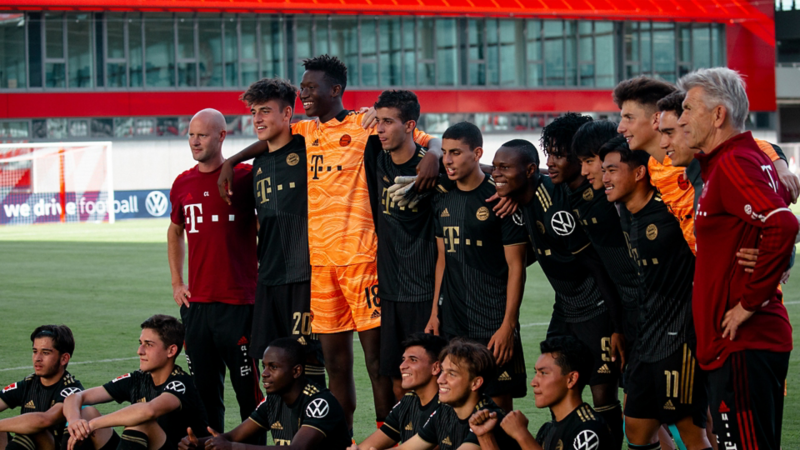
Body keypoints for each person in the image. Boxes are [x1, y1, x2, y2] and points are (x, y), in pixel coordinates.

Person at [218, 55, 442, 430]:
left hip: (362, 262)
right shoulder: (306, 131)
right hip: (320, 266)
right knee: (335, 364)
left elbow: (422, 135)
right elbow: (270, 140)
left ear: (335, 90)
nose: (303, 93)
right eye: (302, 88)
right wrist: (233, 160)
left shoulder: (365, 123)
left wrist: (434, 154)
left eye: (310, 88)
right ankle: (341, 436)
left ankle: (390, 433)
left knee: (377, 364)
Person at [678, 67, 797, 450]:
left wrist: (749, 302)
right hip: (738, 344)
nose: (682, 119)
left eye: (688, 109)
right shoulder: (736, 159)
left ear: (718, 115)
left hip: (743, 342)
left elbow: (782, 223)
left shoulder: (733, 163)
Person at [492, 135, 624, 445]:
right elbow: (492, 171)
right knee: (554, 382)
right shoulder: (520, 194)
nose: (497, 173)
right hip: (565, 307)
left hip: (595, 307)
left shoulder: (554, 209)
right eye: (495, 167)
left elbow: (597, 267)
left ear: (529, 171)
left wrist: (618, 326)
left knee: (603, 393)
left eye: (504, 168)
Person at [600, 138, 711, 450]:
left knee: (690, 431)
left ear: (638, 174)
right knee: (635, 428)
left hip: (680, 338)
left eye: (612, 169)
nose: (605, 177)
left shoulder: (670, 210)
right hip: (646, 337)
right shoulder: (624, 213)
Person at [613, 76, 797, 253]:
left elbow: (755, 146)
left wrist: (781, 168)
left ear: (656, 118)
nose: (620, 127)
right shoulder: (654, 166)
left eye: (629, 117)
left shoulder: (704, 156)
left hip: (736, 273)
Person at [167, 108, 263, 432]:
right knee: (205, 395)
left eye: (202, 135)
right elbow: (174, 230)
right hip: (197, 307)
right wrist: (177, 282)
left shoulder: (247, 177)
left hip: (239, 303)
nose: (194, 141)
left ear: (221, 136)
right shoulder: (182, 183)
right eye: (191, 134)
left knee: (248, 394)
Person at [428, 122, 528, 413]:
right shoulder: (442, 198)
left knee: (499, 408)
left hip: (493, 322)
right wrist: (435, 312)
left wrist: (508, 325)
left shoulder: (500, 199)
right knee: (457, 404)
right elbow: (442, 259)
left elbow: (516, 267)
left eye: (456, 152)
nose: (448, 159)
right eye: (445, 152)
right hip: (454, 321)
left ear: (477, 153)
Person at [240, 77, 326, 385]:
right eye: (254, 112)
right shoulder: (258, 162)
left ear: (288, 114)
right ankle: (283, 433)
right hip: (270, 277)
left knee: (309, 361)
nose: (257, 119)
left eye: (265, 111)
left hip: (305, 275)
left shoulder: (310, 147)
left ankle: (319, 430)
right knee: (270, 361)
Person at [369, 91, 441, 400]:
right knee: (400, 381)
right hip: (390, 291)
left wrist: (434, 155)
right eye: (378, 121)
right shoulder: (374, 154)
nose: (380, 129)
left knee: (432, 382)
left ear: (410, 125)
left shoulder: (430, 169)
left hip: (423, 292)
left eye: (388, 122)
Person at [63, 315, 208, 450]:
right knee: (86, 413)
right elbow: (75, 397)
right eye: (140, 343)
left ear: (171, 351)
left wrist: (93, 425)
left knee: (140, 423)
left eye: (149, 345)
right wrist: (75, 420)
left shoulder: (181, 383)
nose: (140, 351)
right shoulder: (138, 379)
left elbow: (148, 411)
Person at [178, 338, 351, 450]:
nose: (264, 374)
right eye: (264, 366)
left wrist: (232, 447)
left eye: (273, 367)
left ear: (297, 371)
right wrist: (198, 443)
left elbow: (297, 449)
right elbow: (233, 436)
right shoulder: (273, 400)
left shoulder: (320, 403)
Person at [571, 120, 642, 365]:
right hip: (629, 312)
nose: (584, 171)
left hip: (660, 312)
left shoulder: (648, 201)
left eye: (589, 162)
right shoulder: (596, 201)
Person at [369, 338, 520, 450]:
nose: (441, 380)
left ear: (475, 383)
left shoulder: (488, 417)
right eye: (443, 372)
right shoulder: (444, 412)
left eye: (452, 374)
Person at [468, 336, 615, 450]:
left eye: (543, 373)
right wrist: (485, 436)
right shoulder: (548, 430)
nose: (533, 382)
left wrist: (522, 434)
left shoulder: (589, 430)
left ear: (571, 379)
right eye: (536, 372)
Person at [0, 325, 116, 450]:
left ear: (64, 358)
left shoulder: (71, 390)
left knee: (33, 429)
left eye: (45, 353)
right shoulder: (27, 385)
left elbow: (44, 420)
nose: (37, 358)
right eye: (35, 351)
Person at [350, 333, 446, 449]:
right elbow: (369, 445)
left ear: (435, 368)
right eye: (403, 360)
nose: (402, 366)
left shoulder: (448, 408)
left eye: (413, 360)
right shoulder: (408, 402)